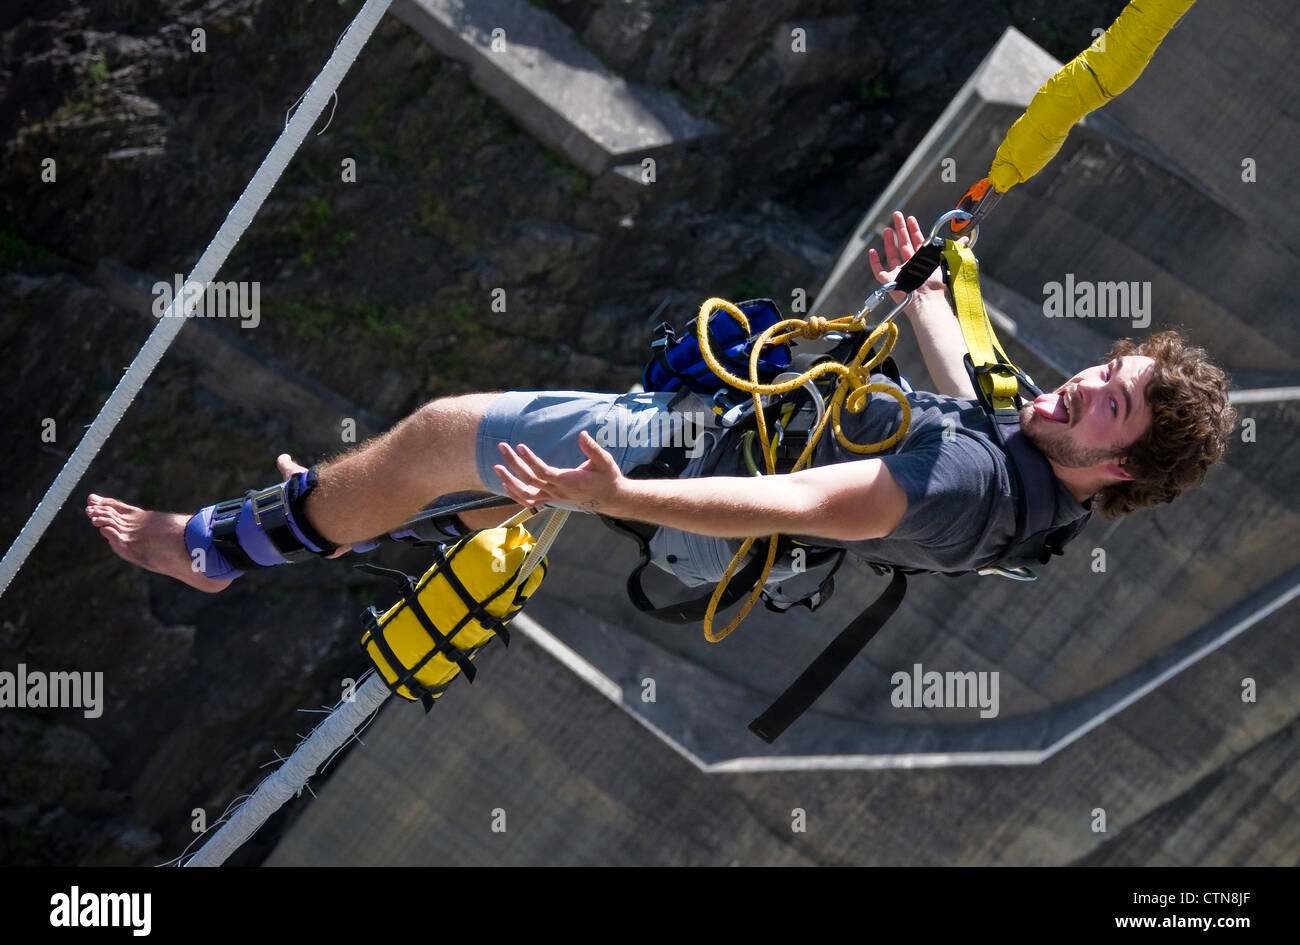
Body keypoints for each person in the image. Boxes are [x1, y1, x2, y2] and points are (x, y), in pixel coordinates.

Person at [85, 212, 1237, 593]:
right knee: (470, 482)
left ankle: (217, 549)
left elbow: (783, 497)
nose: (1083, 383)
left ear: (1120, 467)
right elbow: (975, 399)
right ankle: (351, 503)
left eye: (1109, 405)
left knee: (446, 430)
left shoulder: (962, 480)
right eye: (1107, 370)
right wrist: (926, 295)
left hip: (693, 466)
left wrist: (618, 487)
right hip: (720, 476)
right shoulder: (1043, 495)